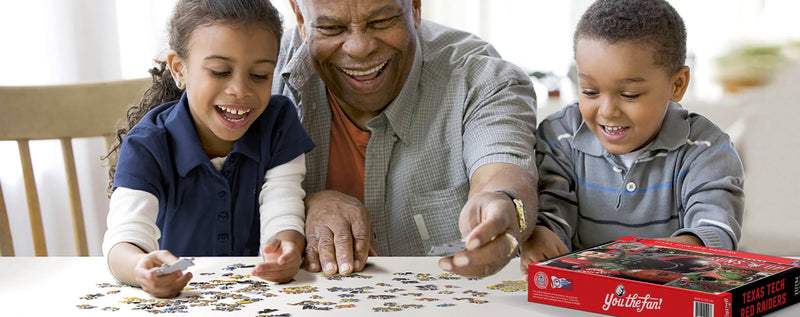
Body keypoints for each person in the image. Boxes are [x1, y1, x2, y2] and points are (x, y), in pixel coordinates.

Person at [274, 0, 539, 278]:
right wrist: (299, 205)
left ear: (414, 7)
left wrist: (505, 207)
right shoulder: (255, 72)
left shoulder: (481, 78)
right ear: (301, 19)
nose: (360, 48)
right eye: (331, 27)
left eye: (381, 21)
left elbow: (502, 174)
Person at [101, 0, 314, 298]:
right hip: (181, 300)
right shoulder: (147, 144)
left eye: (260, 75)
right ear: (179, 69)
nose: (240, 90)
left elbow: (283, 207)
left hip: (261, 297)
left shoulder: (279, 123)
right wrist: (140, 267)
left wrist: (286, 248)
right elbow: (123, 239)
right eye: (219, 71)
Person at [521, 0, 745, 274]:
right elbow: (552, 209)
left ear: (677, 84)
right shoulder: (559, 136)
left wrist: (656, 257)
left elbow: (715, 231)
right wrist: (541, 233)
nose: (607, 111)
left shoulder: (706, 148)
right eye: (590, 91)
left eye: (629, 95)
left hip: (665, 296)